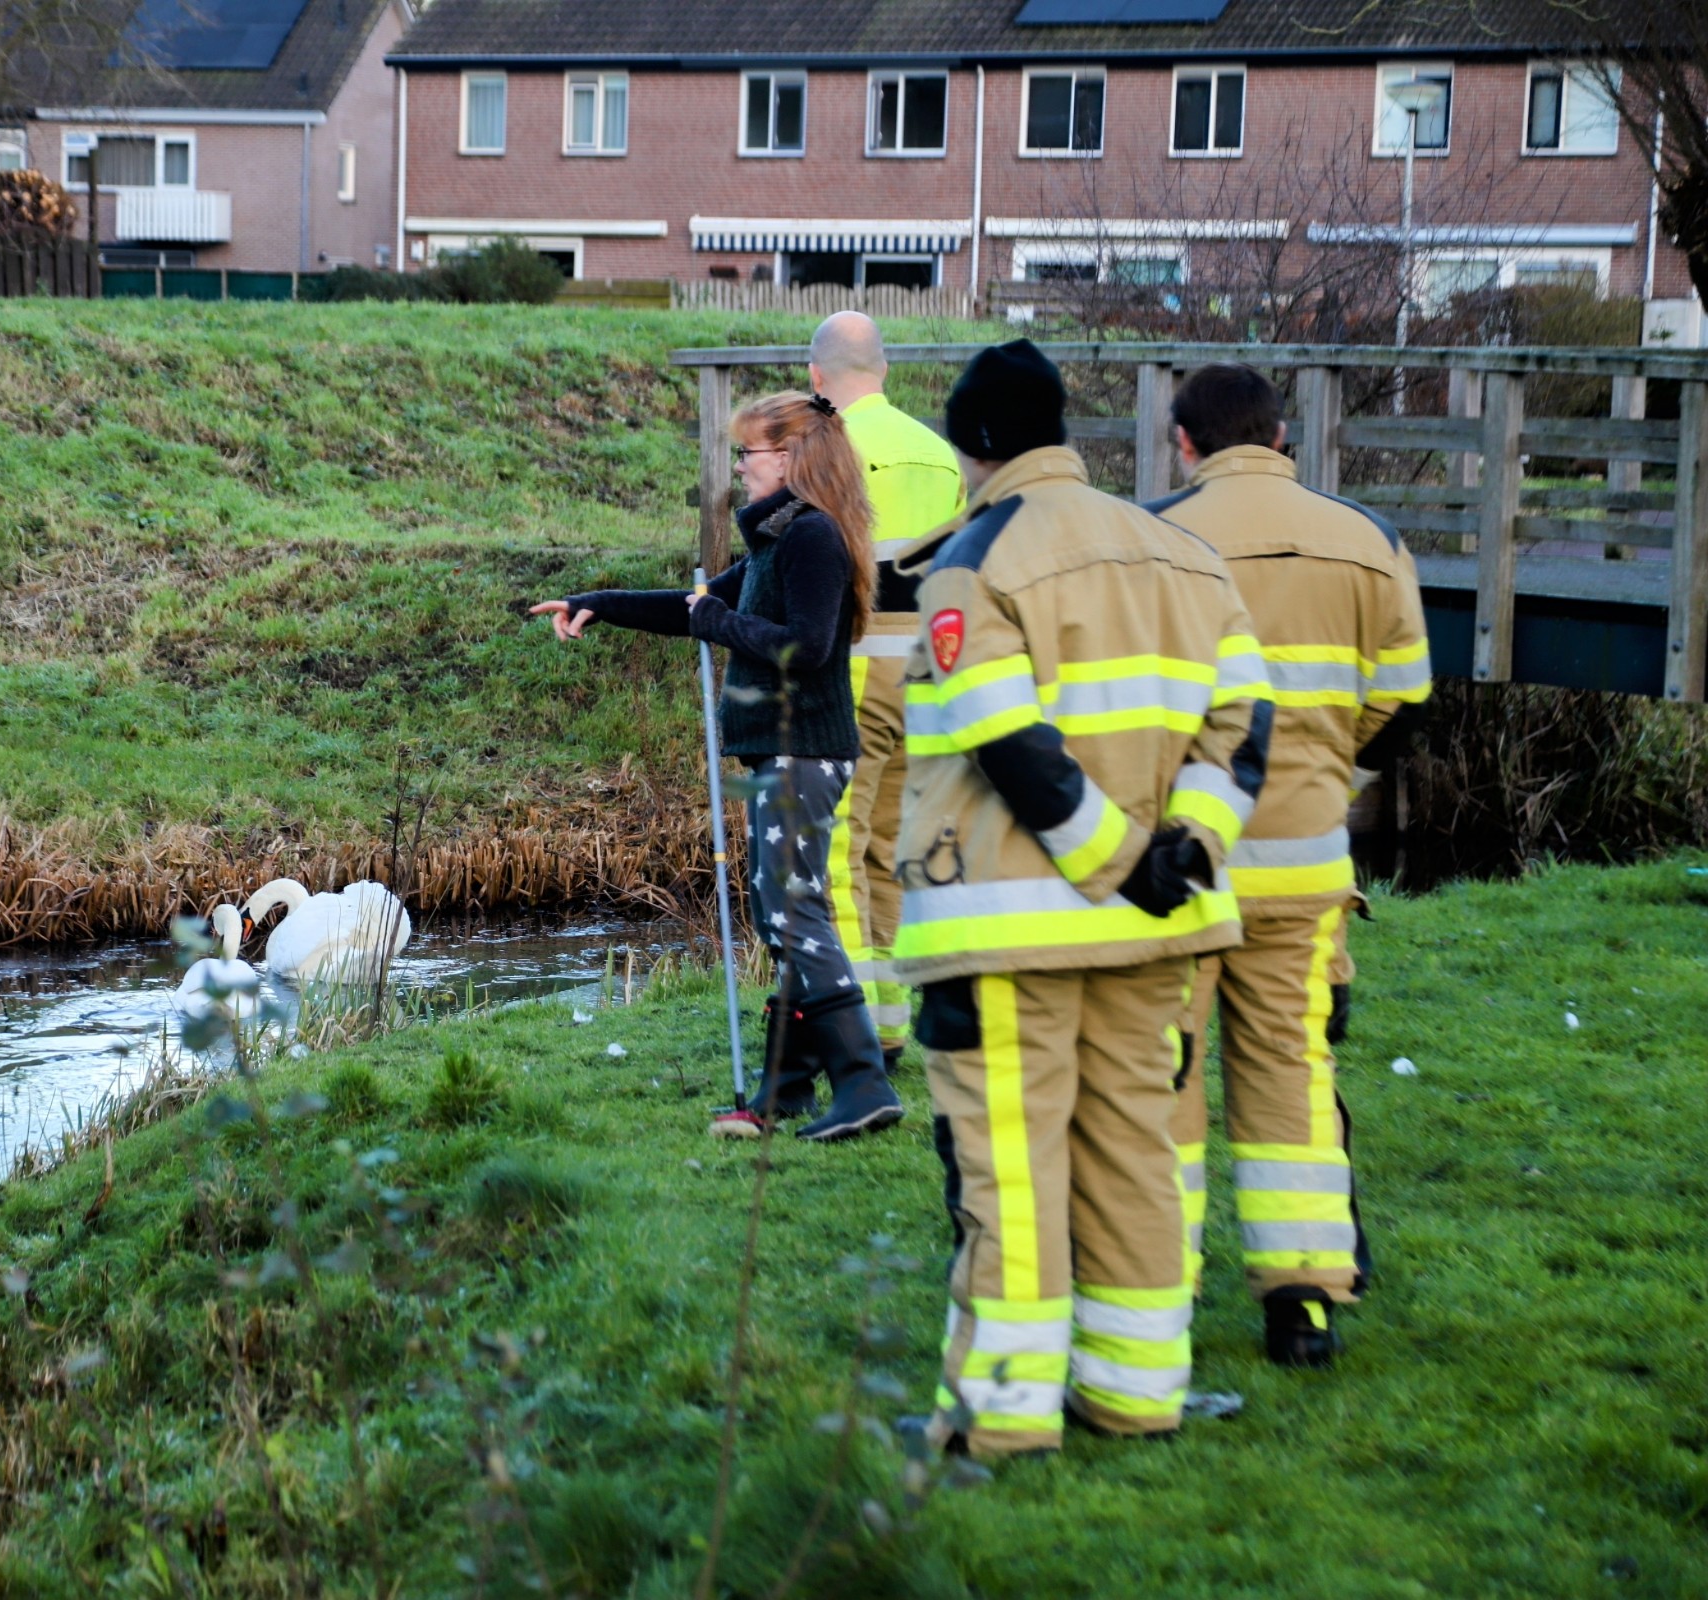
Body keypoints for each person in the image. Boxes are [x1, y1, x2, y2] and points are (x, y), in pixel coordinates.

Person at [889, 340, 1272, 1459]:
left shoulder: (973, 560)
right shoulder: (1186, 552)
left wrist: (1113, 860)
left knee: (1011, 1171)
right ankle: (1136, 1393)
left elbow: (1010, 738)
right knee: (1135, 1161)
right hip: (1159, 933)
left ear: (977, 446)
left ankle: (1001, 1422)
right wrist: (1184, 853)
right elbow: (1243, 723)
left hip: (1011, 931)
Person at [1145, 363, 1431, 1368]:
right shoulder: (1369, 540)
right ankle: (1303, 1297)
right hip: (1306, 864)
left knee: (1164, 1080)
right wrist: (1326, 765)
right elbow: (1403, 702)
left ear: (1184, 443)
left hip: (1183, 865)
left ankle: (1157, 1291)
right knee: (1292, 1079)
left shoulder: (1157, 538)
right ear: (1279, 435)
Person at [531, 390, 905, 1142]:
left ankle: (862, 1085)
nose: (740, 465)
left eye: (750, 453)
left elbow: (809, 647)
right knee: (780, 910)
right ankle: (786, 1087)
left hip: (804, 752)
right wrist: (595, 601)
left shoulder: (813, 540)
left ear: (792, 459)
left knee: (795, 912)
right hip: (782, 753)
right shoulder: (779, 542)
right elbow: (693, 605)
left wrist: (719, 621)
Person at [807, 312, 964, 1066]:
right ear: (886, 370)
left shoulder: (828, 451)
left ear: (816, 377)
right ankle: (895, 1017)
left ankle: (856, 1021)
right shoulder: (939, 456)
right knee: (894, 848)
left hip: (857, 663)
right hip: (930, 672)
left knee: (839, 842)